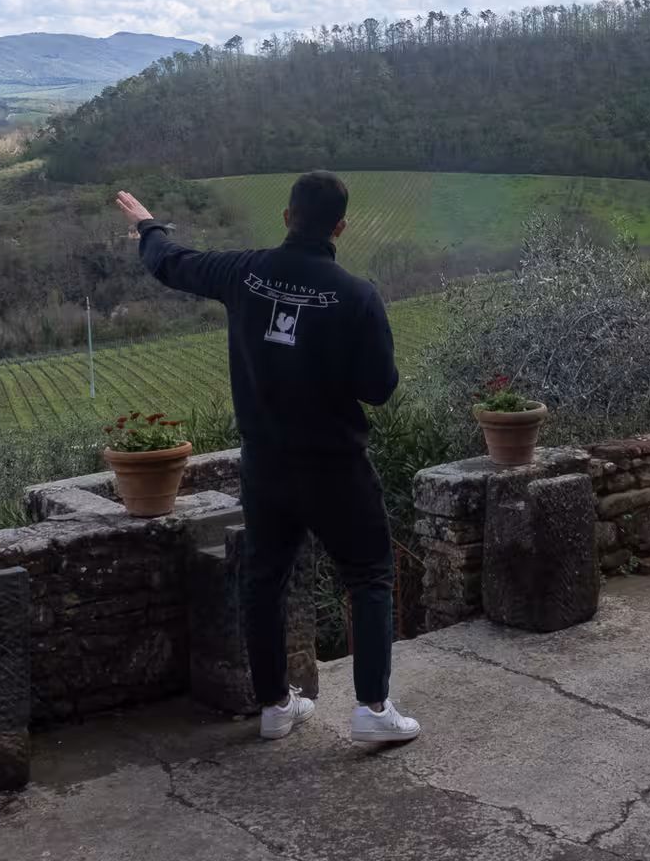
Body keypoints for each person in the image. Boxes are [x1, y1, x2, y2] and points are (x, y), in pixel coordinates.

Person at [116, 171, 421, 746]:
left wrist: (147, 225)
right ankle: (372, 709)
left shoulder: (244, 272)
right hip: (335, 466)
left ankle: (275, 705)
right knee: (370, 576)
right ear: (340, 226)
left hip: (266, 465)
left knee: (264, 581)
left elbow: (171, 262)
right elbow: (379, 388)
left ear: (286, 216)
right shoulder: (357, 296)